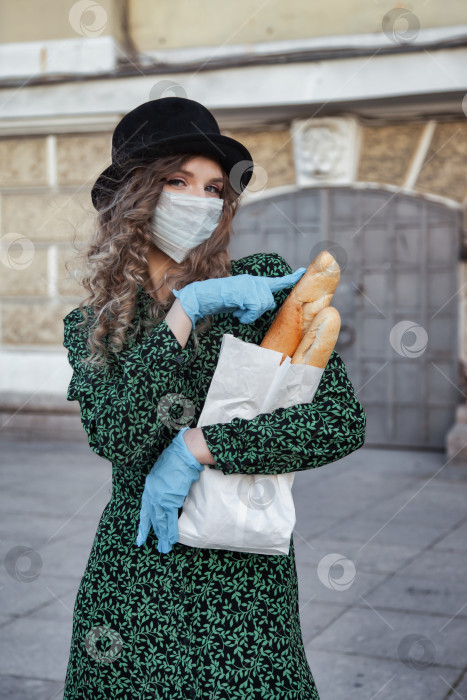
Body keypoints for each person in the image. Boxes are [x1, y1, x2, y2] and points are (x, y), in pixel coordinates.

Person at [62, 96, 366, 699]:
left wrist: (201, 446)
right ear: (133, 196)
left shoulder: (260, 286)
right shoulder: (93, 324)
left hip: (244, 574)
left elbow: (337, 422)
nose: (199, 201)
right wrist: (188, 310)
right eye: (177, 181)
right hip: (141, 567)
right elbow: (118, 437)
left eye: (213, 188)